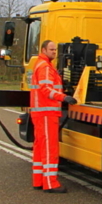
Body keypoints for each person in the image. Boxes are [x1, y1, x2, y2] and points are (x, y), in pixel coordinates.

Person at [30, 40, 75, 193]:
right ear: (43, 50)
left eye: (55, 50)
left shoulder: (41, 65)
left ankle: (38, 180)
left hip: (40, 112)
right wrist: (63, 97)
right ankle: (50, 183)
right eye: (51, 49)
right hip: (46, 113)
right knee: (50, 148)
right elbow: (46, 88)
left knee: (39, 146)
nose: (54, 52)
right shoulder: (45, 67)